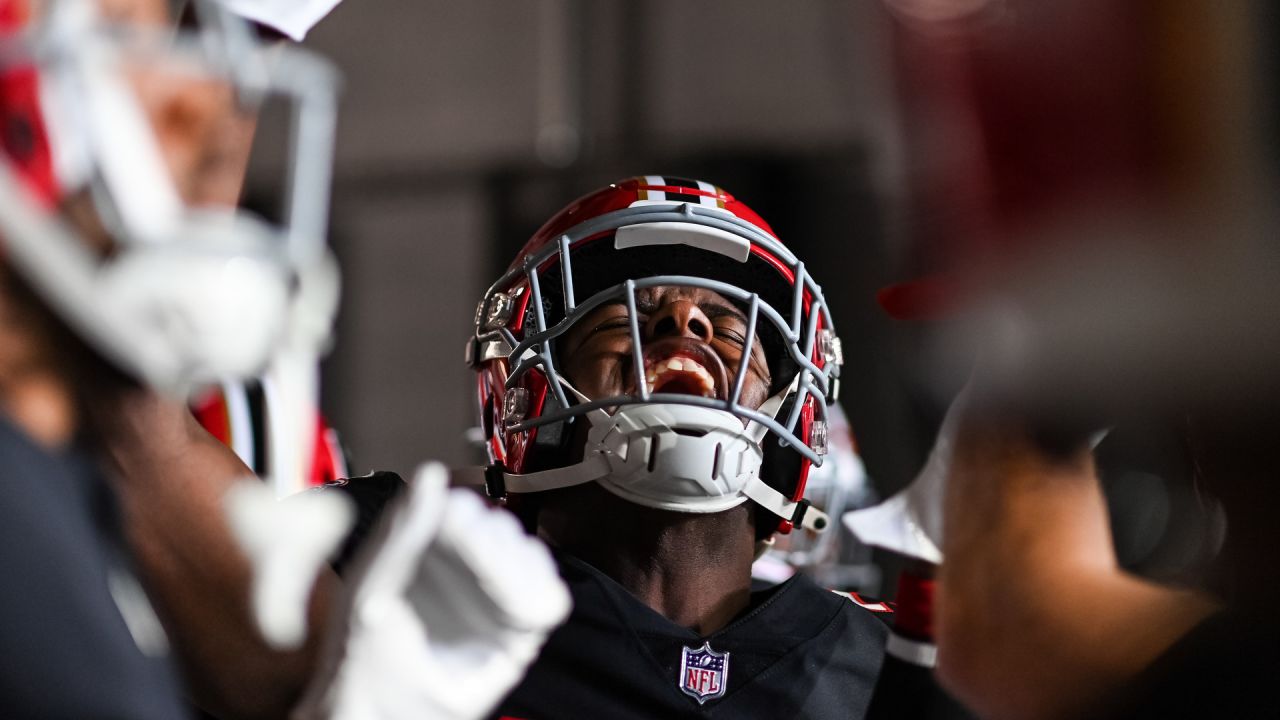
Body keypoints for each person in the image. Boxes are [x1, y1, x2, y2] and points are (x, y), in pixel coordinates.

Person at [456, 175, 890, 718]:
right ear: (526, 392)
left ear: (793, 402)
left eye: (732, 326)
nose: (685, 320)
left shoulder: (895, 668)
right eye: (623, 313)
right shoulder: (419, 613)